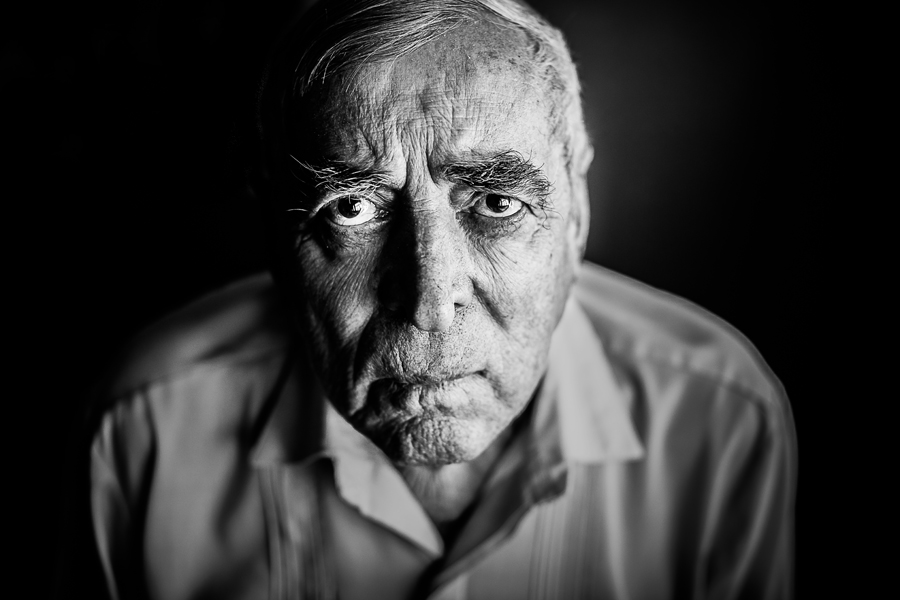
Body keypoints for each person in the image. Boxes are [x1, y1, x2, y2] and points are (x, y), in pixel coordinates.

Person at [81, 1, 797, 598]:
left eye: (497, 202)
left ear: (576, 213)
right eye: (351, 209)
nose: (428, 302)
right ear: (271, 227)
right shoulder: (147, 428)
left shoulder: (720, 416)